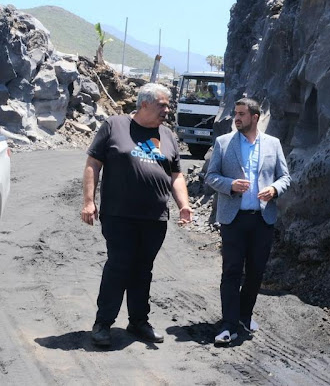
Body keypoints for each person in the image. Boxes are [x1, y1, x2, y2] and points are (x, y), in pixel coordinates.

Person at [81, 83, 192, 347]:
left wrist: (183, 205)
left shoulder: (167, 135)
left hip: (155, 218)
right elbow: (93, 164)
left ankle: (138, 321)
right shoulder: (114, 125)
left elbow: (176, 174)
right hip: (120, 215)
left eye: (168, 105)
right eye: (162, 105)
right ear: (144, 104)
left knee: (143, 270)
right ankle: (103, 324)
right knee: (119, 267)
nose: (168, 109)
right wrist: (88, 201)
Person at [206, 97, 291, 344]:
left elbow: (284, 177)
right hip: (233, 219)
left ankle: (244, 315)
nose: (237, 118)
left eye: (242, 114)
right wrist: (230, 185)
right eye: (236, 113)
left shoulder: (273, 144)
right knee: (231, 271)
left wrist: (274, 189)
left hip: (262, 219)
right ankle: (228, 324)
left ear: (255, 117)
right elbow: (211, 176)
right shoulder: (224, 143)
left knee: (255, 272)